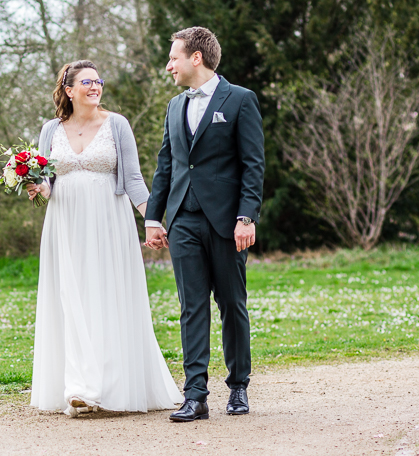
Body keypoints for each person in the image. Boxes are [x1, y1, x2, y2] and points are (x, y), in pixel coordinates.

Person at [28, 59, 184, 416]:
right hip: (64, 226)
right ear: (69, 91)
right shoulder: (50, 129)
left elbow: (133, 180)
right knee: (71, 299)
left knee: (106, 297)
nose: (95, 87)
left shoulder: (117, 125)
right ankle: (79, 387)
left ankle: (110, 387)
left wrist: (155, 220)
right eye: (86, 82)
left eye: (98, 81)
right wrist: (36, 186)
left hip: (108, 225)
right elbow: (48, 182)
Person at [144, 27, 265, 423]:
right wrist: (152, 218)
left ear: (196, 57)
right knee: (191, 308)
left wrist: (246, 217)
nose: (169, 66)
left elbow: (253, 166)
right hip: (182, 223)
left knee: (231, 304)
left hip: (228, 224)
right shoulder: (174, 106)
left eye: (173, 57)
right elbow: (167, 166)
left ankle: (238, 388)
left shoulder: (241, 100)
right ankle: (195, 395)